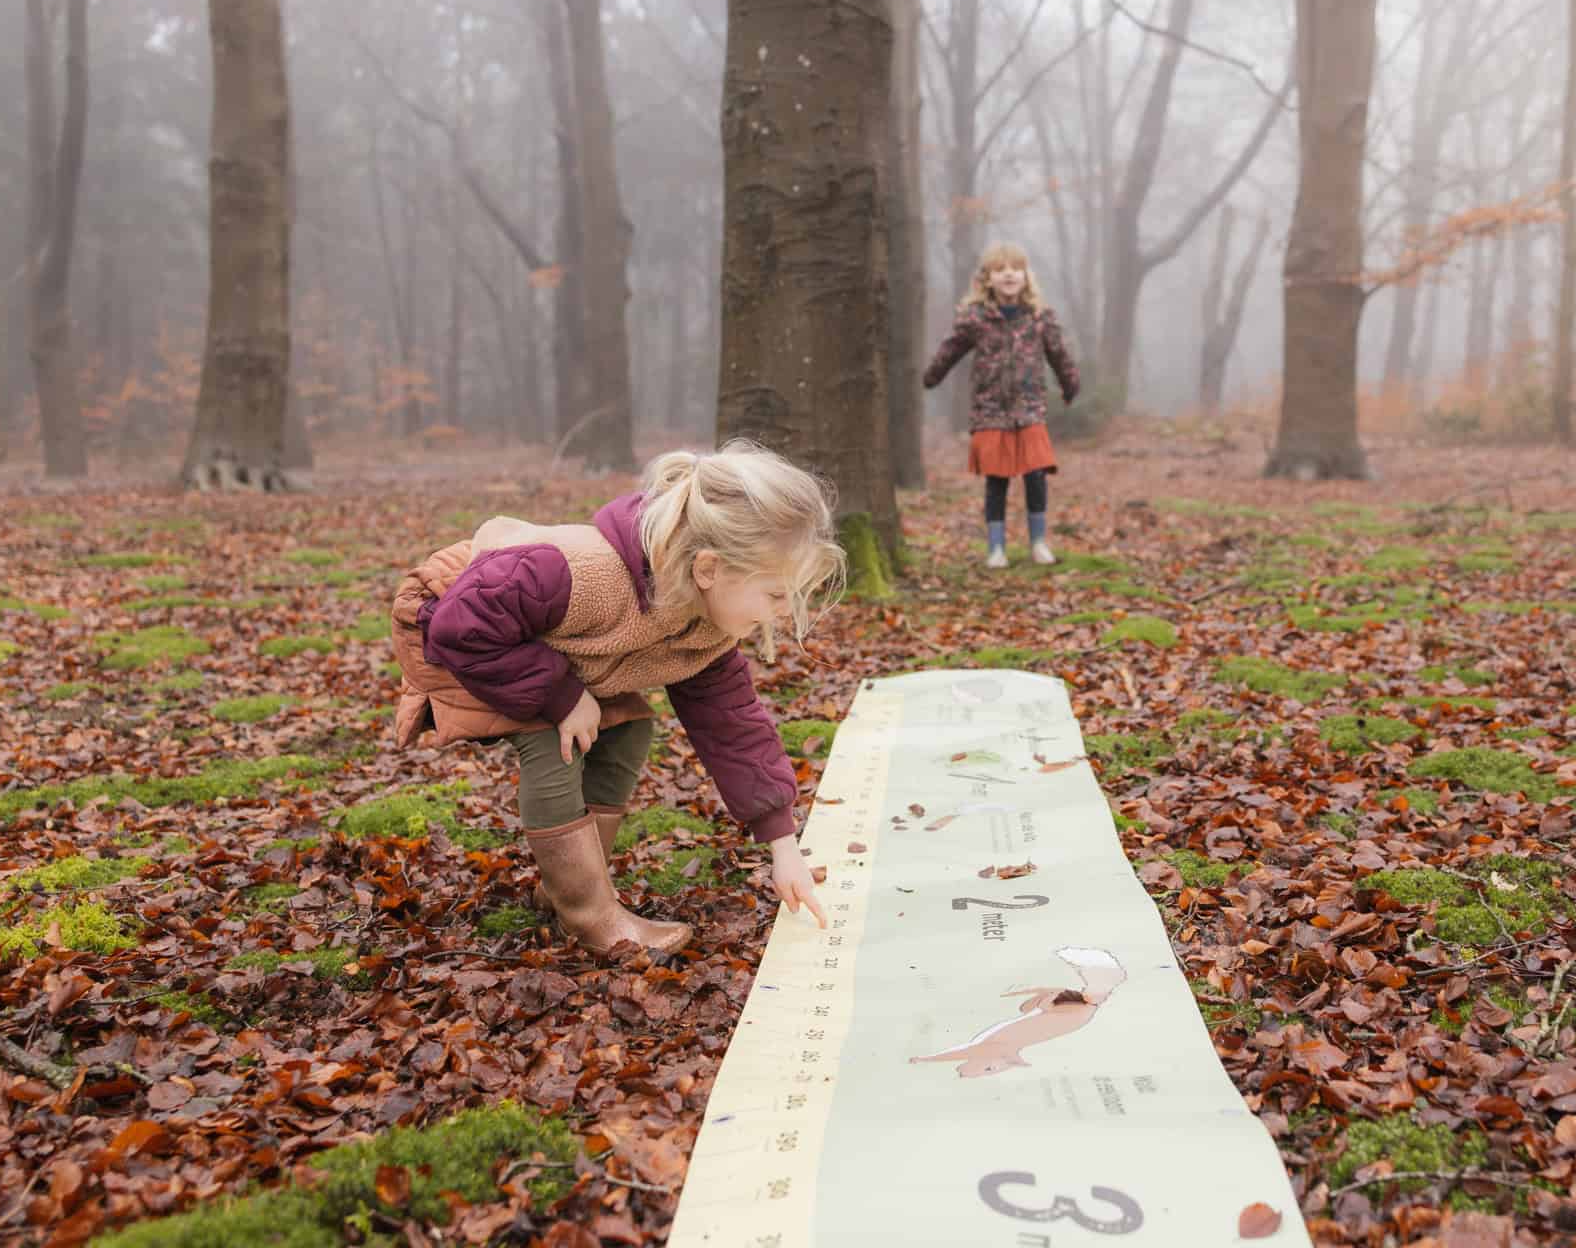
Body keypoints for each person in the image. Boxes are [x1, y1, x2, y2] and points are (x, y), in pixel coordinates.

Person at [387, 441, 843, 956]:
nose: (784, 612)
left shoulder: (703, 619)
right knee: (553, 741)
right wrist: (562, 697)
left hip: (550, 645)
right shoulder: (583, 574)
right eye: (776, 594)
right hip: (457, 624)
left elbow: (735, 727)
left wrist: (783, 846)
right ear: (710, 569)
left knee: (626, 727)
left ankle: (566, 887)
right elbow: (461, 624)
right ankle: (592, 916)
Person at [922, 241, 1081, 568]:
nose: (1009, 274)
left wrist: (1070, 386)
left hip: (1029, 407)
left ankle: (1038, 542)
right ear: (988, 279)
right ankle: (996, 548)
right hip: (990, 410)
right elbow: (950, 350)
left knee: (1035, 474)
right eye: (1000, 269)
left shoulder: (1039, 318)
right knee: (997, 479)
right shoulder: (976, 319)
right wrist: (932, 376)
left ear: (1025, 276)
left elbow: (1060, 355)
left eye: (1015, 268)